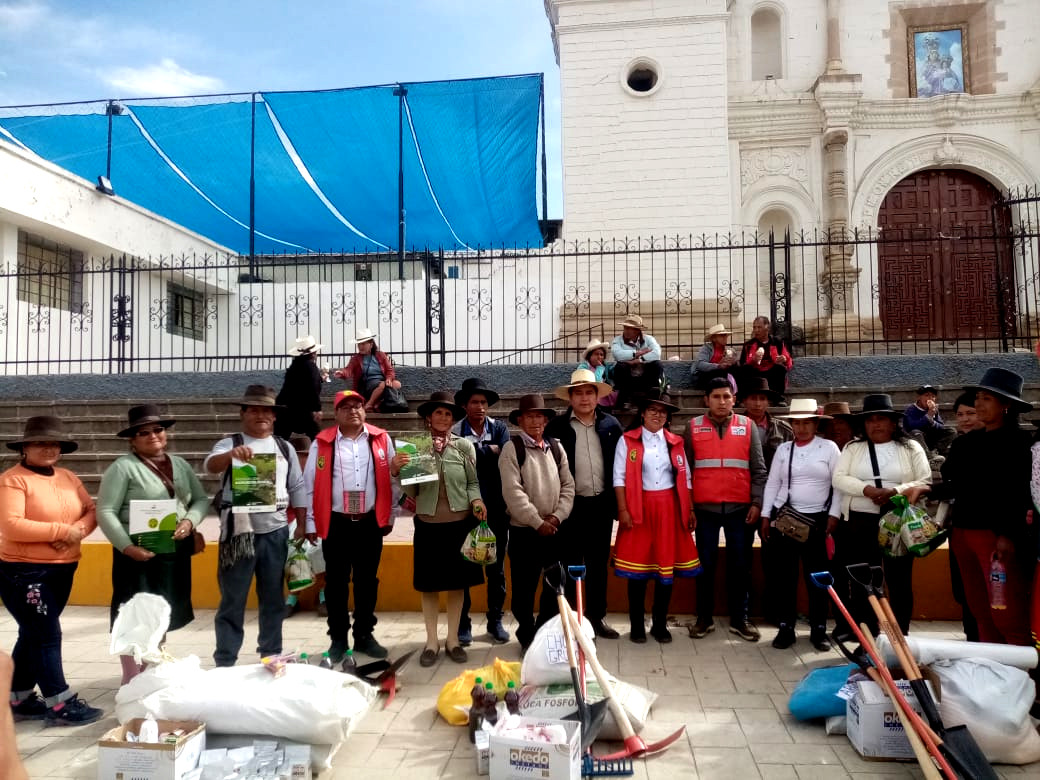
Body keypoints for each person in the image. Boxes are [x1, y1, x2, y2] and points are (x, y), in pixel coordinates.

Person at [0, 416, 102, 726]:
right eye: (40, 442)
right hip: (24, 573)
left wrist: (76, 531)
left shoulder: (68, 477)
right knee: (46, 635)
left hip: (63, 569)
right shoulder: (13, 480)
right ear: (25, 447)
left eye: (53, 443)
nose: (48, 448)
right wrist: (61, 531)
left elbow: (91, 510)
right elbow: (11, 524)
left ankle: (16, 697)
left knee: (32, 633)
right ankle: (60, 702)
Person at [98, 405, 209, 684]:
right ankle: (130, 674)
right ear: (132, 440)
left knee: (162, 609)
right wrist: (126, 546)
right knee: (132, 611)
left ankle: (154, 664)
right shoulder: (123, 468)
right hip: (137, 550)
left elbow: (200, 499)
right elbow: (106, 511)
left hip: (172, 549)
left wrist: (190, 522)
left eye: (158, 429)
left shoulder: (180, 464)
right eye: (142, 432)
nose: (152, 436)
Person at [204, 386, 308, 667]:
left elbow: (297, 486)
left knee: (273, 598)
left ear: (274, 416)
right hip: (238, 533)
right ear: (243, 414)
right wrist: (231, 456)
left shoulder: (284, 447)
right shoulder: (230, 442)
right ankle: (225, 661)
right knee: (232, 599)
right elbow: (210, 466)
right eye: (254, 409)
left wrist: (301, 523)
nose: (260, 415)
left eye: (266, 410)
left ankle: (271, 655)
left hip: (275, 532)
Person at [930, 369, 1034, 647]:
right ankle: (991, 670)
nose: (978, 404)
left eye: (987, 398)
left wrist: (1007, 535)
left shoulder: (1021, 445)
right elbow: (958, 485)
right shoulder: (967, 443)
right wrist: (925, 490)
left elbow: (1021, 495)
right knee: (980, 611)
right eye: (978, 397)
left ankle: (1020, 677)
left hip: (995, 537)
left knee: (1007, 612)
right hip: (963, 533)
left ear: (1006, 405)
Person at [392, 392, 486, 667]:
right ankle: (431, 642)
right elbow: (411, 491)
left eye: (448, 414)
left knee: (457, 586)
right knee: (429, 586)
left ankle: (453, 640)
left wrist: (477, 499)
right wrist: (398, 471)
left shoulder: (465, 447)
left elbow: (472, 483)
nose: (443, 418)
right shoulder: (415, 447)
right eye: (438, 413)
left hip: (460, 524)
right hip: (428, 525)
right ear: (428, 418)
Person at [305, 389, 395, 661]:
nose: (353, 410)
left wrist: (389, 516)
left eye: (357, 405)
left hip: (369, 522)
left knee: (367, 582)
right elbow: (310, 484)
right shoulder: (322, 443)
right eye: (346, 407)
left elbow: (392, 478)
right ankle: (338, 638)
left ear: (364, 410)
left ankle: (364, 635)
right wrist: (310, 521)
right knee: (336, 584)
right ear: (336, 413)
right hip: (337, 523)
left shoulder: (380, 439)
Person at [832, 394, 931, 636]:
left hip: (897, 519)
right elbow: (839, 477)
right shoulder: (853, 448)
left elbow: (924, 479)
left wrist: (893, 491)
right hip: (859, 520)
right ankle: (868, 634)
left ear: (892, 422)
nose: (876, 425)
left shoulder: (910, 447)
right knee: (863, 580)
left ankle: (899, 635)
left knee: (898, 581)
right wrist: (867, 489)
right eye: (870, 420)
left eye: (881, 419)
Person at [613, 390, 700, 643]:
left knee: (666, 570)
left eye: (663, 411)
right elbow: (618, 478)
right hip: (638, 508)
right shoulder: (627, 440)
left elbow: (686, 477)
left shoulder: (675, 442)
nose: (658, 415)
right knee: (637, 571)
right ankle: (637, 625)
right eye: (653, 410)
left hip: (669, 509)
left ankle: (660, 624)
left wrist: (690, 508)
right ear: (642, 413)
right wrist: (623, 510)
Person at [685, 377, 768, 642]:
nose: (722, 402)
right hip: (705, 510)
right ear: (706, 400)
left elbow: (758, 469)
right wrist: (689, 508)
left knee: (740, 566)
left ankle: (740, 619)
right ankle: (704, 618)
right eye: (716, 397)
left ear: (734, 399)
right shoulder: (693, 426)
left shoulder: (748, 425)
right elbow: (685, 471)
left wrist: (756, 502)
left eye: (727, 396)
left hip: (740, 509)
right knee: (704, 565)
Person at [546, 368, 623, 639]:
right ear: (570, 397)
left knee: (597, 564)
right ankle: (567, 621)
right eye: (578, 393)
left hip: (600, 505)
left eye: (589, 392)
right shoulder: (556, 427)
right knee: (567, 563)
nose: (584, 398)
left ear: (597, 396)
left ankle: (596, 618)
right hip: (569, 506)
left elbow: (619, 466)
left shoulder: (611, 425)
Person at [760, 399, 841, 651]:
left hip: (817, 521)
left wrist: (834, 515)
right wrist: (766, 515)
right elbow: (773, 483)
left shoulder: (829, 449)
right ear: (791, 424)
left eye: (807, 422)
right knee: (786, 577)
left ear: (816, 423)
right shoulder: (784, 450)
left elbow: (838, 484)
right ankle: (786, 627)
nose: (802, 428)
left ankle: (818, 629)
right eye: (797, 422)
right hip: (785, 520)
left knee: (817, 577)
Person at [499, 394, 576, 652]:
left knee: (555, 584)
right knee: (524, 588)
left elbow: (568, 486)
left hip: (555, 528)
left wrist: (556, 517)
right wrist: (536, 521)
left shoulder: (556, 447)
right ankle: (526, 633)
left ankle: (544, 630)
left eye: (540, 416)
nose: (535, 421)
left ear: (546, 420)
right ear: (520, 420)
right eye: (529, 416)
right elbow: (513, 493)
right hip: (525, 531)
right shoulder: (513, 449)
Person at [453, 378, 511, 645]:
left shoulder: (500, 429)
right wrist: (488, 451)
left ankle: (495, 621)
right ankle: (463, 624)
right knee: (465, 568)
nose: (480, 407)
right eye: (474, 402)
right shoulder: (455, 431)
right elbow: (459, 466)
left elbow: (504, 457)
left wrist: (473, 453)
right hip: (466, 510)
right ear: (464, 405)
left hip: (497, 510)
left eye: (484, 402)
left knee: (496, 570)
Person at [284, 434, 327, 619]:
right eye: (300, 456)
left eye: (307, 455)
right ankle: (294, 596)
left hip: (318, 517)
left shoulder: (321, 473)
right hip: (292, 518)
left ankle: (324, 595)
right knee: (294, 545)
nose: (304, 460)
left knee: (323, 545)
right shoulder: (282, 475)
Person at [334, 327, 402, 412]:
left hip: (382, 383)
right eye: (359, 344)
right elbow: (348, 370)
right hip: (367, 385)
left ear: (371, 344)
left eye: (363, 344)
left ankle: (377, 404)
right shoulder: (356, 359)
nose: (360, 347)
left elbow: (390, 370)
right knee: (383, 385)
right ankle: (369, 404)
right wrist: (342, 373)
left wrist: (389, 378)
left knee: (397, 384)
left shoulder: (381, 355)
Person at [274, 335, 326, 440]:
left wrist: (320, 379)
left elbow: (300, 382)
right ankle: (321, 457)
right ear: (312, 353)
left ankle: (275, 456)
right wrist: (317, 409)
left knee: (279, 441)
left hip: (284, 409)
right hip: (302, 410)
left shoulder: (294, 365)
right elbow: (313, 387)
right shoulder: (311, 366)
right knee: (317, 440)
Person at [609, 314, 663, 408]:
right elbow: (617, 354)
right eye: (625, 328)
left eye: (630, 328)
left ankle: (652, 397)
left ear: (637, 330)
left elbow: (656, 354)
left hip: (644, 378)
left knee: (657, 364)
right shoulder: (618, 340)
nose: (626, 331)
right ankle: (624, 399)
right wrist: (638, 353)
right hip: (627, 380)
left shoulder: (649, 339)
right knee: (620, 366)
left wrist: (640, 360)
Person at [737, 316, 792, 400]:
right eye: (754, 327)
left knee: (780, 369)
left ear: (767, 328)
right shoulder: (748, 344)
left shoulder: (777, 342)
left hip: (771, 371)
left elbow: (788, 359)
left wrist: (784, 358)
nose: (756, 330)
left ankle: (778, 398)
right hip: (755, 371)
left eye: (759, 327)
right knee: (745, 369)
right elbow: (742, 364)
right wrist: (752, 360)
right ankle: (743, 398)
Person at [903, 384, 956, 460]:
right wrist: (928, 416)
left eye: (933, 396)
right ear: (919, 397)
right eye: (927, 395)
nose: (930, 398)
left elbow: (941, 426)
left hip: (930, 439)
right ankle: (929, 458)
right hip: (916, 439)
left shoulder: (933, 409)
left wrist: (932, 422)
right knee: (916, 432)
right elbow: (912, 426)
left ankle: (935, 451)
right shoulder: (911, 410)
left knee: (951, 431)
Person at [692, 324, 738, 391]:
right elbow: (700, 364)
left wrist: (733, 363)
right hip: (706, 377)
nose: (725, 337)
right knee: (721, 372)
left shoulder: (729, 351)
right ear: (714, 338)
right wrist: (718, 366)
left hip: (722, 377)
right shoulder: (706, 349)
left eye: (725, 335)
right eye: (722, 336)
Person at [577, 340, 617, 408]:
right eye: (596, 354)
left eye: (601, 355)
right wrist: (599, 369)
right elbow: (596, 383)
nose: (599, 357)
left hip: (603, 395)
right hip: (588, 393)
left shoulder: (605, 367)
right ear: (589, 356)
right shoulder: (583, 367)